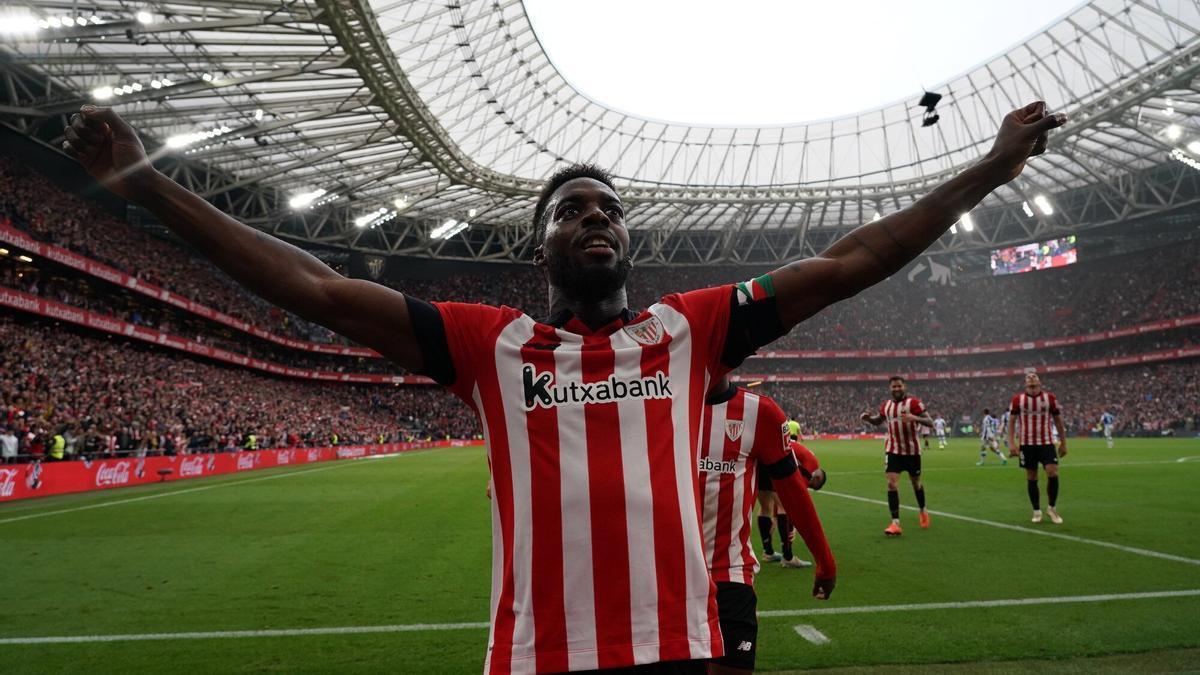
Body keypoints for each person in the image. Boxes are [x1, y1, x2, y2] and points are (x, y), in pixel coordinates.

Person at [63, 100, 1062, 674]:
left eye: (611, 211)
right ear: (538, 241)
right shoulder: (489, 346)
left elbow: (852, 262)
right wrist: (148, 182)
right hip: (539, 662)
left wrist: (986, 171)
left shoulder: (693, 330)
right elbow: (316, 288)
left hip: (684, 653)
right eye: (574, 209)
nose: (597, 219)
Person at [698, 377, 835, 674]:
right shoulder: (654, 400)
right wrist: (825, 561)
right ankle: (783, 553)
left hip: (729, 574)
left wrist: (826, 560)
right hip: (665, 578)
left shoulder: (759, 411)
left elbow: (797, 492)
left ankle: (778, 552)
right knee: (773, 507)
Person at [861, 376, 933, 536]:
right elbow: (877, 421)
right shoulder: (886, 406)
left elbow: (930, 422)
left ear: (904, 386)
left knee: (916, 484)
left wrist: (914, 417)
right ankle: (895, 523)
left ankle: (923, 510)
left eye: (899, 386)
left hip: (912, 452)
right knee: (891, 484)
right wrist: (868, 419)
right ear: (890, 388)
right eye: (893, 387)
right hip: (893, 450)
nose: (896, 389)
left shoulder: (914, 403)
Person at [1008, 372, 1066, 524]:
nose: (1032, 384)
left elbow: (1058, 421)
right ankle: (1036, 510)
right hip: (1027, 444)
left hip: (1046, 442)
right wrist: (1012, 443)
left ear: (1040, 383)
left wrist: (1063, 443)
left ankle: (1052, 508)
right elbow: (1012, 422)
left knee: (1052, 472)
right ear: (1025, 385)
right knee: (1032, 477)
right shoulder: (1017, 400)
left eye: (1034, 381)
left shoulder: (1050, 398)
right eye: (1029, 382)